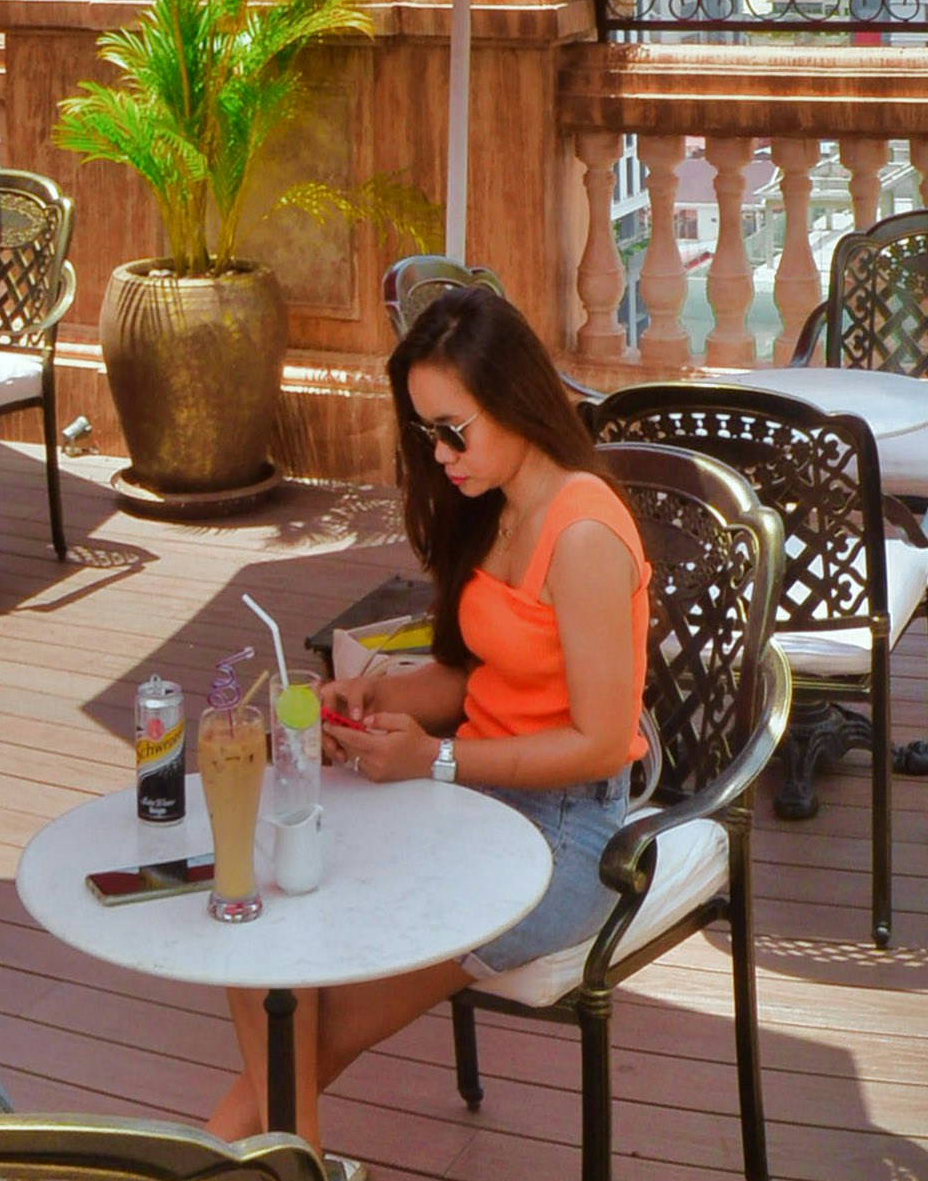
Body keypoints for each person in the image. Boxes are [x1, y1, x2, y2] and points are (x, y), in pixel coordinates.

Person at [240, 277, 649, 1136]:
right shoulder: (493, 509)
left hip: (563, 836)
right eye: (428, 434)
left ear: (514, 403)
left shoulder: (581, 535)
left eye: (453, 431)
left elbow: (606, 743)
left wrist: (438, 759)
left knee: (313, 1031)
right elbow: (468, 679)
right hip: (466, 798)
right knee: (261, 923)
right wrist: (373, 697)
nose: (439, 455)